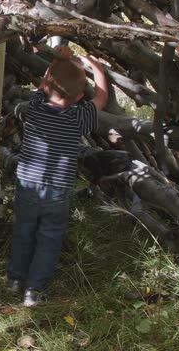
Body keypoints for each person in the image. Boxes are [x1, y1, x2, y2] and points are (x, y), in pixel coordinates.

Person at [8, 45, 108, 307]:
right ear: (78, 97)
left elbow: (44, 84)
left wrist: (56, 60)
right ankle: (34, 291)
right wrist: (97, 70)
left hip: (27, 185)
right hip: (57, 191)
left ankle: (15, 280)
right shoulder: (78, 118)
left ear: (45, 87)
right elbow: (101, 99)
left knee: (23, 231)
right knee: (49, 238)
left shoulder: (36, 106)